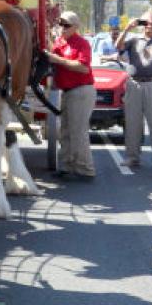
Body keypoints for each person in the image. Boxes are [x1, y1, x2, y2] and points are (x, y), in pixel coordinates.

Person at [116, 12, 152, 168]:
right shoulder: (134, 40)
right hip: (135, 84)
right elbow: (118, 47)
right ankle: (132, 156)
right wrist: (127, 28)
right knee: (133, 122)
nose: (149, 25)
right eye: (145, 22)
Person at [46, 11, 96, 179]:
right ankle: (67, 165)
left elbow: (83, 67)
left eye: (66, 25)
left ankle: (85, 168)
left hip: (81, 90)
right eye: (60, 24)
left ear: (75, 27)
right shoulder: (59, 43)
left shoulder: (81, 43)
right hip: (67, 91)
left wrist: (57, 60)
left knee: (78, 131)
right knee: (65, 131)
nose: (62, 28)